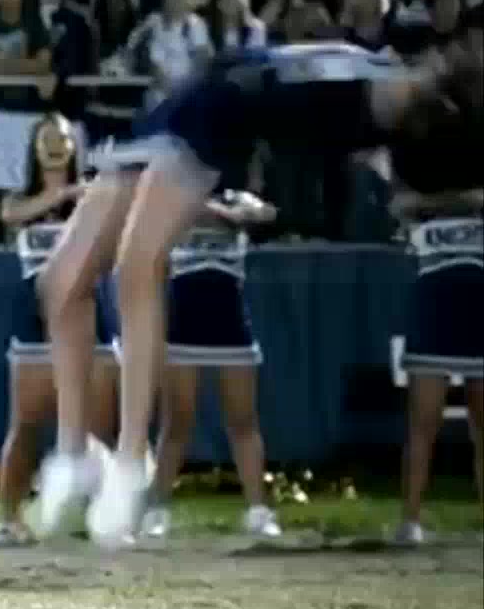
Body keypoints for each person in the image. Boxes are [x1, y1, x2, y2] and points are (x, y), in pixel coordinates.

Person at [32, 42, 484, 547]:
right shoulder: (372, 69)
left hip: (215, 124)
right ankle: (76, 451)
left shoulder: (372, 114)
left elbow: (293, 125)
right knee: (61, 283)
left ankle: (131, 459)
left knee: (136, 266)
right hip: (187, 101)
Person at [0, 114, 121, 543]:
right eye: (46, 138)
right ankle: (8, 517)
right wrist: (65, 194)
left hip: (91, 313)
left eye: (63, 139)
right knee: (26, 423)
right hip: (35, 318)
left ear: (73, 147)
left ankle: (100, 516)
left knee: (101, 426)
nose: (54, 146)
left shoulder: (93, 195)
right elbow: (11, 215)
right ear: (33, 148)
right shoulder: (20, 198)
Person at [141, 186, 283, 540]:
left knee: (243, 421)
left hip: (231, 325)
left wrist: (223, 211)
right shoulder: (171, 193)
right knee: (176, 422)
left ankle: (258, 511)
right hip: (183, 326)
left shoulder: (237, 196)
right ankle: (156, 510)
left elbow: (266, 215)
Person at [387, 36, 484, 544]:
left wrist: (439, 204)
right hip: (436, 296)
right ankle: (410, 520)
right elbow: (402, 204)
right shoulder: (413, 137)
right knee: (422, 420)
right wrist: (461, 201)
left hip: (476, 294)